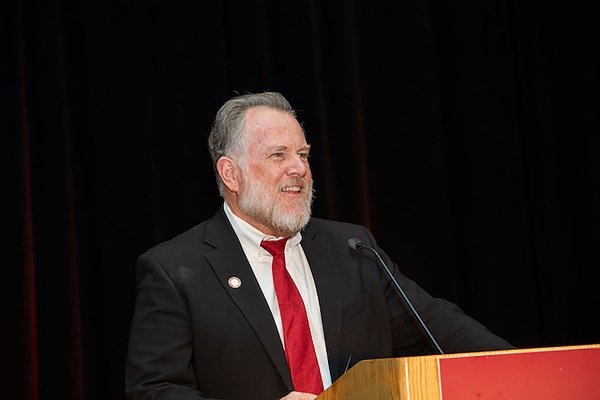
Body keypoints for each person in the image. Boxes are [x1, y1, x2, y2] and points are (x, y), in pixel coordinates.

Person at [125, 91, 512, 400]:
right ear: (231, 174)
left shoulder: (352, 247)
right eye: (279, 155)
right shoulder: (175, 270)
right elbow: (154, 390)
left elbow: (437, 326)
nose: (299, 168)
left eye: (303, 154)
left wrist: (519, 367)